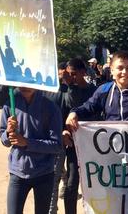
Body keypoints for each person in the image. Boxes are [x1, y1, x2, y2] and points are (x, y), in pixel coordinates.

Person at [66, 51, 128, 131]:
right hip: (112, 151)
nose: (124, 72)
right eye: (120, 68)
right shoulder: (104, 90)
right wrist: (74, 113)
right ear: (111, 70)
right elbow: (88, 107)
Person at [45, 58, 97, 214]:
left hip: (86, 143)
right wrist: (61, 131)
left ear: (83, 73)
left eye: (74, 74)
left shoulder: (93, 92)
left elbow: (88, 111)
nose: (70, 77)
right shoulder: (63, 90)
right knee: (66, 184)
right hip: (65, 141)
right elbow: (62, 109)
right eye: (68, 74)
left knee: (87, 181)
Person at [0, 87, 62, 214]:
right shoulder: (10, 105)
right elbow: (4, 140)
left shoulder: (51, 108)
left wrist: (27, 142)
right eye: (21, 82)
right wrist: (8, 131)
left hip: (44, 173)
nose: (25, 86)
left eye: (29, 82)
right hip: (18, 172)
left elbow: (56, 146)